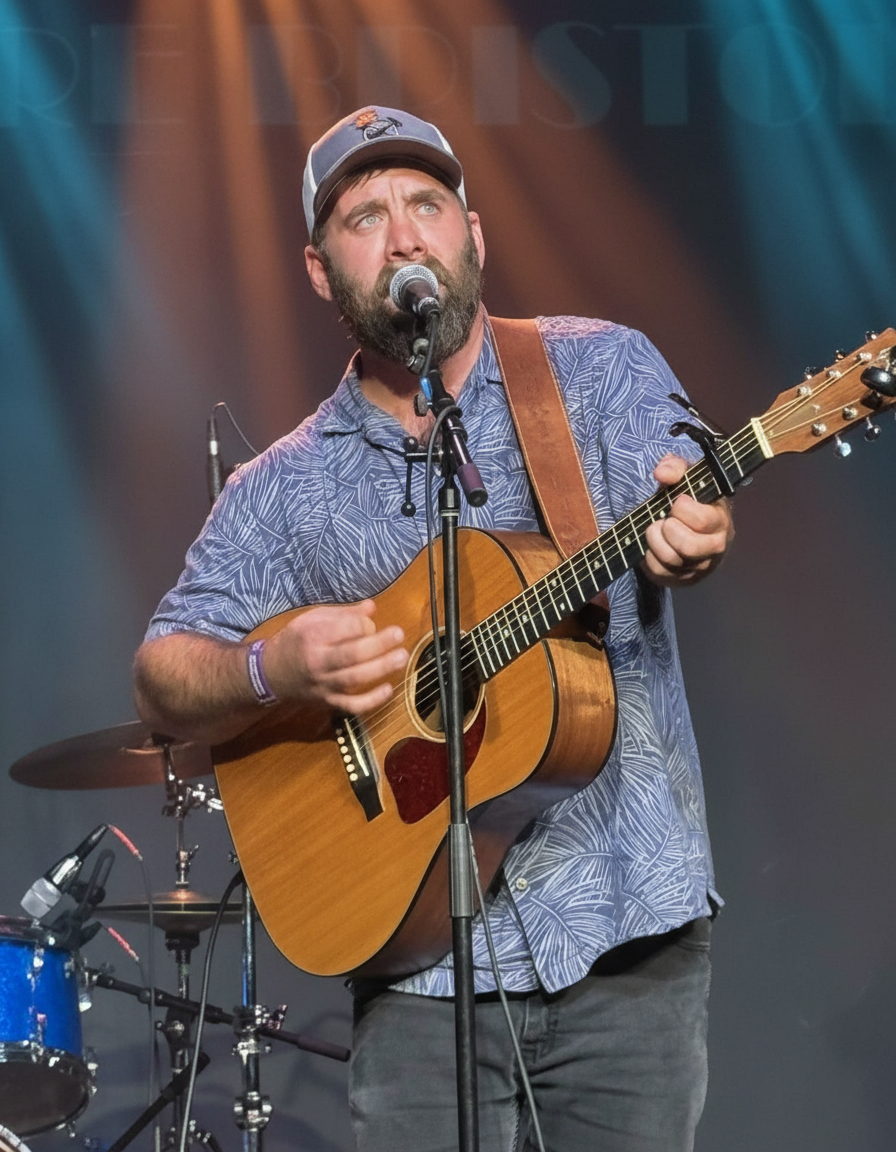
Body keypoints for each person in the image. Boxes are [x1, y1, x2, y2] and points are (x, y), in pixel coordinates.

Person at [134, 106, 734, 1152]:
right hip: (416, 967)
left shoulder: (594, 372)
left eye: (427, 204)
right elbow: (163, 673)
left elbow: (677, 479)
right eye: (365, 216)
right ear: (321, 271)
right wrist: (276, 664)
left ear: (473, 233)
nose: (405, 234)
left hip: (623, 935)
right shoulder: (283, 488)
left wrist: (696, 521)